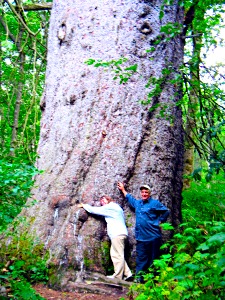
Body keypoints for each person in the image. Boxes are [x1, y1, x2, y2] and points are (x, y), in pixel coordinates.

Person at [117, 182, 170, 283]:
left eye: (146, 192)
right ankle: (139, 279)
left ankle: (152, 280)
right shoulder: (138, 203)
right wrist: (123, 190)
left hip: (153, 236)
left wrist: (160, 221)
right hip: (141, 237)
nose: (144, 194)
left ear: (149, 193)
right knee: (141, 259)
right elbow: (130, 198)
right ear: (141, 193)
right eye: (142, 192)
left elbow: (166, 211)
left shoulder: (154, 203)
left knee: (153, 259)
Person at [78, 195, 132, 281]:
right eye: (101, 201)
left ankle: (118, 276)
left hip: (117, 233)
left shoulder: (110, 207)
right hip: (121, 233)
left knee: (118, 255)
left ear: (109, 200)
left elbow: (95, 210)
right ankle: (128, 273)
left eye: (104, 200)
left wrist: (84, 206)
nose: (102, 202)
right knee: (116, 254)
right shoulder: (117, 208)